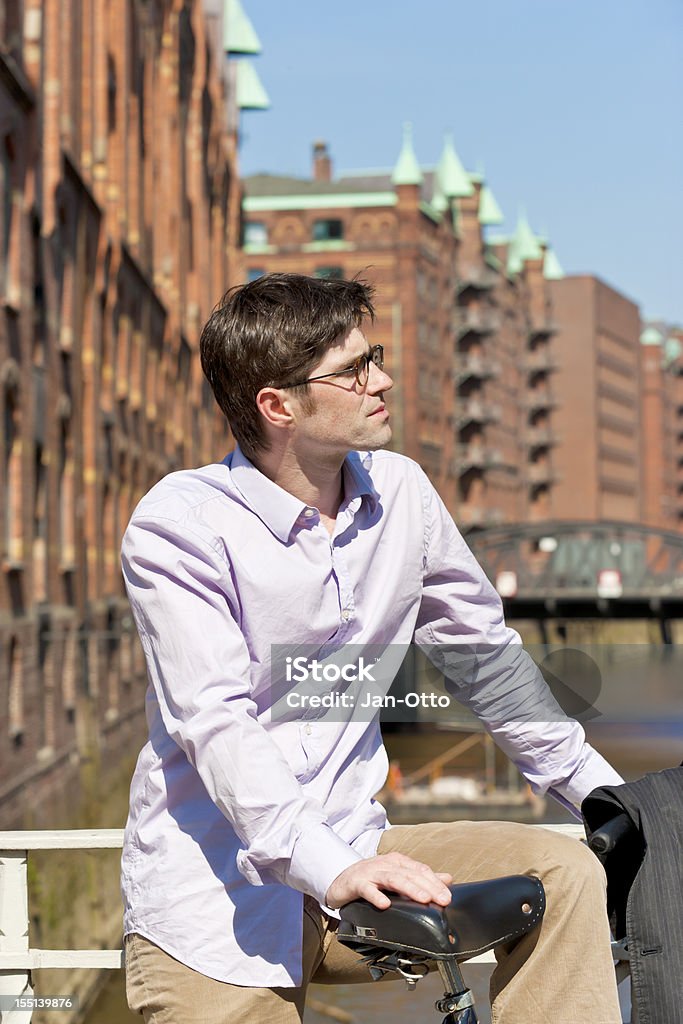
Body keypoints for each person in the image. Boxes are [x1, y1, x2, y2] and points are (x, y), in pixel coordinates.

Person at [121, 273, 624, 1024]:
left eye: (374, 356)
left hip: (365, 853)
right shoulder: (182, 525)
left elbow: (482, 657)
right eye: (353, 370)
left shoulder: (403, 494)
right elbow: (215, 722)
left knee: (566, 872)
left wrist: (606, 797)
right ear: (278, 405)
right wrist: (335, 868)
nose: (380, 380)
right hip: (218, 897)